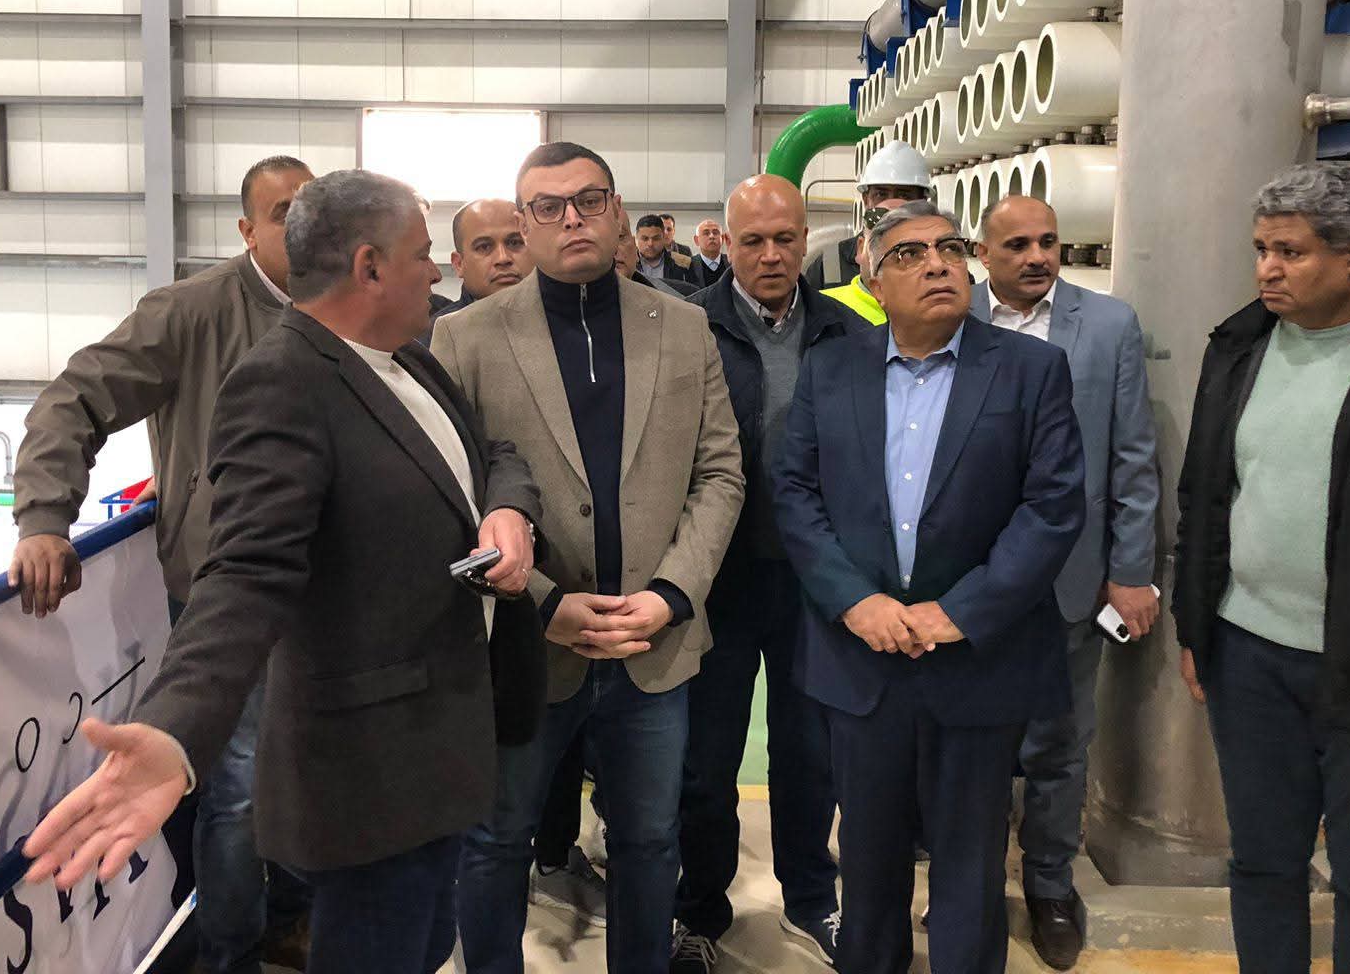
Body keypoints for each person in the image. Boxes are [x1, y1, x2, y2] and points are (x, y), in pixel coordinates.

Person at [21, 170, 547, 974]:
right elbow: (243, 574)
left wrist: (506, 510)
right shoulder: (282, 382)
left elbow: (491, 451)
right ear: (370, 267)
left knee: (425, 943)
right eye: (421, 255)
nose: (437, 271)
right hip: (373, 774)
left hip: (438, 748)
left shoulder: (408, 358)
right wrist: (174, 729)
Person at [432, 141, 744, 974]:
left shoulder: (684, 327)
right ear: (524, 223)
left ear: (617, 212)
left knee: (648, 840)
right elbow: (451, 500)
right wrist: (543, 603)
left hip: (653, 644)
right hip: (525, 645)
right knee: (496, 841)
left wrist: (672, 594)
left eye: (589, 199)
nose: (571, 218)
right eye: (548, 206)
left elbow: (720, 472)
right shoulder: (464, 338)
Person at [9, 154, 314, 974]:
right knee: (238, 786)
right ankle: (230, 953)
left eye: (313, 209)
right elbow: (73, 399)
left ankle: (291, 921)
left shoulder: (344, 307)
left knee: (310, 769)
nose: (301, 226)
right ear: (246, 229)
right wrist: (44, 519)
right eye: (283, 212)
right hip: (228, 597)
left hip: (326, 595)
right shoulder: (191, 312)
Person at [776, 200, 1085, 974]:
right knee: (869, 856)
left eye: (949, 248)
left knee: (971, 863)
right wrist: (856, 602)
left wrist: (961, 612)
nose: (939, 264)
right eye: (909, 254)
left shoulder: (1030, 369)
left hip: (978, 659)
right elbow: (795, 493)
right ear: (873, 281)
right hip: (864, 658)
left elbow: (1052, 507)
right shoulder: (831, 368)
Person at [1173, 163, 1350, 974]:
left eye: (1291, 253)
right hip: (1248, 656)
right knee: (1263, 861)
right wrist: (1196, 627)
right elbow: (1204, 494)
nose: (1267, 269)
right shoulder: (1239, 346)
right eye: (1261, 250)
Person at [670, 177, 867, 973]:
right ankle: (699, 908)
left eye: (786, 238)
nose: (772, 255)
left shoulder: (847, 332)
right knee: (707, 759)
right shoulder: (688, 328)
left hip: (815, 580)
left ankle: (812, 898)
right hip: (717, 577)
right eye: (753, 241)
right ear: (726, 242)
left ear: (806, 237)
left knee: (809, 753)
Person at [971, 195, 1160, 971]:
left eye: (1047, 241)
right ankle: (972, 886)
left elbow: (1133, 458)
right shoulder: (950, 319)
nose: (1037, 256)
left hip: (1072, 581)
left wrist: (1131, 571)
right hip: (971, 582)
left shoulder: (1108, 327)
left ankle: (1050, 885)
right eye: (1017, 244)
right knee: (972, 744)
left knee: (1060, 743)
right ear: (982, 253)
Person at [821, 140, 932, 289]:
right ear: (866, 200)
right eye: (881, 194)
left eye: (904, 195)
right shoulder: (831, 262)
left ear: (922, 202)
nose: (892, 204)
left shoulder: (939, 262)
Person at [420, 199, 531, 344]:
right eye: (484, 247)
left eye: (515, 243)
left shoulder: (558, 319)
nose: (503, 258)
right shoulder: (437, 339)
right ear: (459, 264)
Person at [821, 189, 913, 325]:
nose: (892, 255)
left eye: (911, 249)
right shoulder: (819, 309)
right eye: (879, 243)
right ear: (860, 249)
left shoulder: (942, 313)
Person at [636, 213, 697, 292]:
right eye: (645, 239)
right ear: (636, 238)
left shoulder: (682, 264)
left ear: (663, 237)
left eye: (656, 238)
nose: (650, 244)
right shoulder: (626, 263)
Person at [690, 219, 729, 287]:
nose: (711, 236)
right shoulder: (689, 266)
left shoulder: (732, 263)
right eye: (706, 233)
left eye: (715, 233)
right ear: (696, 240)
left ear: (722, 239)